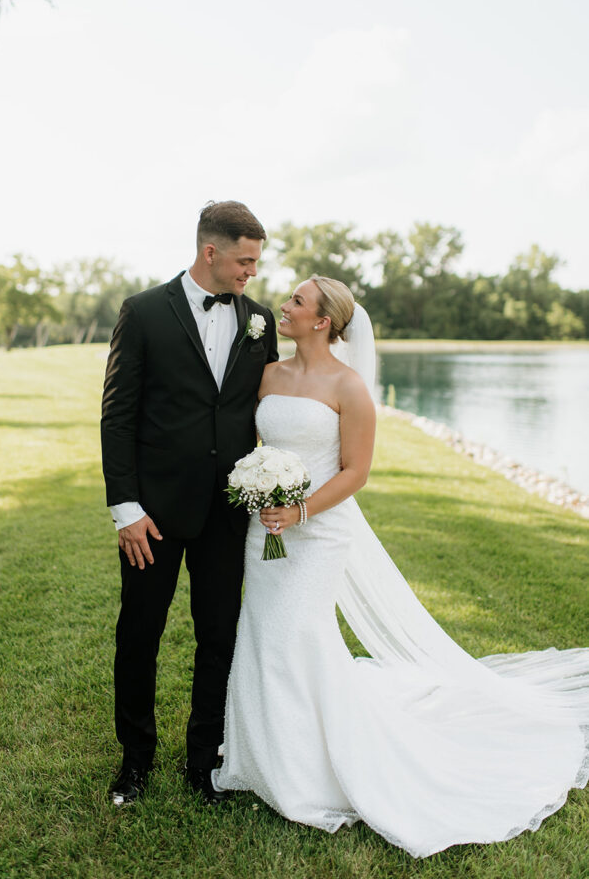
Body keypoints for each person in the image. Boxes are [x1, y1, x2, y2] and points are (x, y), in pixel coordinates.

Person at [213, 275, 589, 858]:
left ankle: (310, 773)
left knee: (299, 636)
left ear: (322, 322)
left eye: (297, 302)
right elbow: (259, 445)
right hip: (266, 528)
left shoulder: (350, 386)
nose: (282, 307)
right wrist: (262, 496)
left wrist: (302, 509)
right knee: (263, 633)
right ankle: (260, 756)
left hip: (319, 531)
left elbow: (356, 471)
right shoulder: (269, 374)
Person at [101, 201, 278, 806]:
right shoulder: (144, 312)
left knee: (219, 635)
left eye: (255, 262)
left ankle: (204, 763)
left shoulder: (259, 320)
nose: (251, 273)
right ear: (211, 252)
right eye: (244, 261)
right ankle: (135, 762)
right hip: (151, 513)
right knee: (140, 634)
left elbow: (266, 406)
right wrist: (126, 507)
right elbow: (117, 414)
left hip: (227, 512)